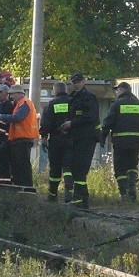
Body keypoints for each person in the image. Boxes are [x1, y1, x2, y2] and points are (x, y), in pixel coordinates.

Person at [101, 81, 139, 201]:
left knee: (120, 169)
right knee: (132, 166)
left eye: (117, 90)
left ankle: (124, 193)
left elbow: (108, 122)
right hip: (136, 142)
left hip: (120, 142)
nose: (116, 92)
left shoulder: (116, 104)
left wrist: (102, 137)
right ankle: (132, 188)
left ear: (122, 90)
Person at [59, 72, 100, 207]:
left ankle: (80, 200)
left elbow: (91, 117)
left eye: (78, 81)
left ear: (84, 81)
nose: (76, 84)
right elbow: (70, 115)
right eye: (73, 82)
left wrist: (72, 123)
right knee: (76, 169)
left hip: (87, 137)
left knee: (80, 170)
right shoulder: (73, 98)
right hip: (76, 137)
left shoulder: (89, 97)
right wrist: (66, 125)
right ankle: (81, 200)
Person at [0, 84, 38, 187]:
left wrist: (1, 117)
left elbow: (18, 118)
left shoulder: (25, 103)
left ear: (19, 94)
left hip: (24, 138)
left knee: (23, 165)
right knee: (17, 166)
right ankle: (19, 186)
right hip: (18, 139)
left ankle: (27, 187)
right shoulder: (19, 104)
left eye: (12, 94)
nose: (11, 97)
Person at [39, 81, 71, 201]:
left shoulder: (52, 104)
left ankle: (52, 195)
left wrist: (44, 138)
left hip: (56, 140)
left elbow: (46, 123)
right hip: (70, 140)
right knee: (68, 167)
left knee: (55, 168)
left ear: (55, 90)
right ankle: (69, 194)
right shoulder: (72, 102)